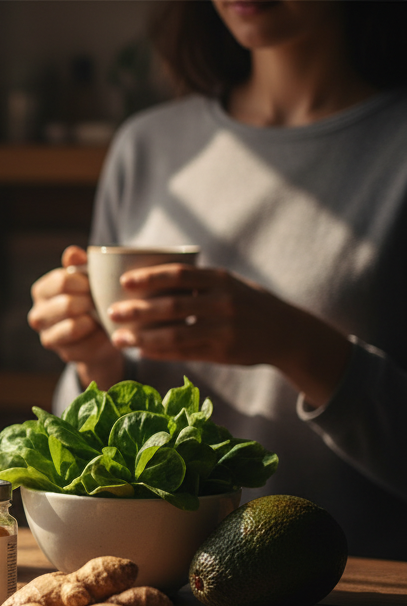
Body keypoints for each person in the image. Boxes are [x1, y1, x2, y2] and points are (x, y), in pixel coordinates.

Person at [26, 0, 407, 560]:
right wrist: (95, 362)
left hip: (353, 602)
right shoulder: (147, 147)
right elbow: (96, 431)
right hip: (162, 586)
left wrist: (294, 343)